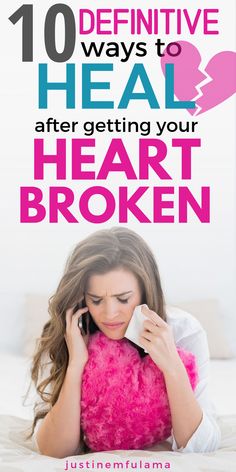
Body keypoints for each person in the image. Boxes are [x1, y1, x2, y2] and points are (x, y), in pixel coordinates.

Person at [30, 227, 221, 458]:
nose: (110, 314)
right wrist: (75, 366)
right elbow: (55, 450)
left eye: (123, 299)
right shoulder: (73, 334)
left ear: (145, 291)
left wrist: (172, 365)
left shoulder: (184, 331)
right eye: (96, 300)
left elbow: (201, 446)